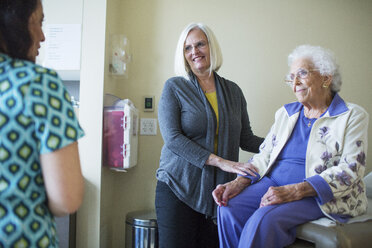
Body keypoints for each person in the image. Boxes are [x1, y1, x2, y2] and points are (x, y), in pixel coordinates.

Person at [212, 44, 369, 248]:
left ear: (326, 77)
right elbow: (265, 155)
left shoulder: (352, 115)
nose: (295, 83)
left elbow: (351, 169)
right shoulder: (286, 113)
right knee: (228, 206)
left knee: (264, 218)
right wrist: (239, 181)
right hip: (273, 182)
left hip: (315, 193)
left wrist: (295, 190)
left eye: (302, 74)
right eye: (291, 77)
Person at [155, 22, 264, 248]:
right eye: (188, 48)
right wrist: (222, 163)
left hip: (219, 193)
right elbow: (173, 139)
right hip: (178, 187)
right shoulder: (174, 87)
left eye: (200, 44)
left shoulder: (233, 91)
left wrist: (282, 142)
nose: (194, 52)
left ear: (211, 47)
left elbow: (246, 138)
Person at [0, 0, 85, 247]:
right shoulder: (39, 84)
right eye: (37, 22)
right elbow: (66, 198)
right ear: (12, 23)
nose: (42, 36)